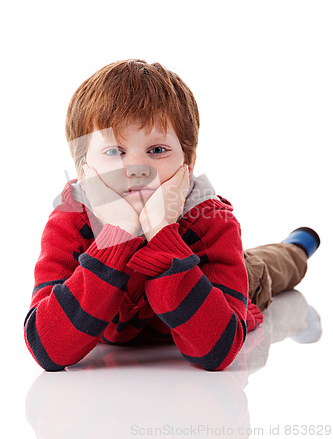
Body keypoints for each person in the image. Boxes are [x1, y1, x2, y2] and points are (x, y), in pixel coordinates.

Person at [24, 59, 320, 372]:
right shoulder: (71, 220)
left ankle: (297, 246)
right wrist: (118, 234)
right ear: (85, 172)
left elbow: (216, 352)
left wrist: (162, 232)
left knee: (266, 270)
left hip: (213, 280)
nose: (136, 170)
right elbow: (48, 349)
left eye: (157, 150)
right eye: (114, 152)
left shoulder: (209, 221)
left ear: (188, 165)